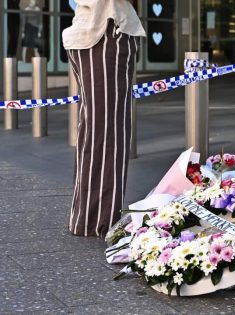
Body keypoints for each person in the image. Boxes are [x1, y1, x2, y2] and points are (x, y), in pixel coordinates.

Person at [62, 0, 146, 237]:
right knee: (109, 132)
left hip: (89, 31)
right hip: (104, 33)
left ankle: (87, 219)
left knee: (94, 129)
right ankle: (100, 223)